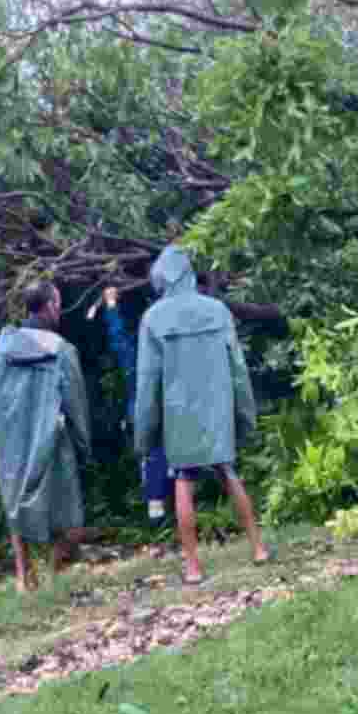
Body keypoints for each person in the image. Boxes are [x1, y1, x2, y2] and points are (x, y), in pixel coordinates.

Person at [133, 244, 269, 585]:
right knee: (227, 471)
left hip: (179, 415)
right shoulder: (218, 310)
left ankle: (193, 567)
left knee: (183, 480)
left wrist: (144, 438)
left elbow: (147, 384)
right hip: (216, 407)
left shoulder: (153, 319)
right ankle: (258, 548)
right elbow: (238, 369)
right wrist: (245, 416)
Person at [0, 281, 91, 592]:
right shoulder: (61, 351)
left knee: (15, 502)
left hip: (11, 443)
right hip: (51, 441)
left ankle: (24, 576)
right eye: (57, 303)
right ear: (50, 306)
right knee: (67, 514)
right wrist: (84, 442)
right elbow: (76, 402)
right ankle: (53, 570)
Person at [88, 285, 171, 526]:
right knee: (160, 459)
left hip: (146, 414)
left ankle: (159, 511)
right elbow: (119, 339)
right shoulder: (148, 353)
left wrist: (111, 305)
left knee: (154, 459)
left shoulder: (137, 357)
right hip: (158, 412)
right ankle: (162, 512)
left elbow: (119, 339)